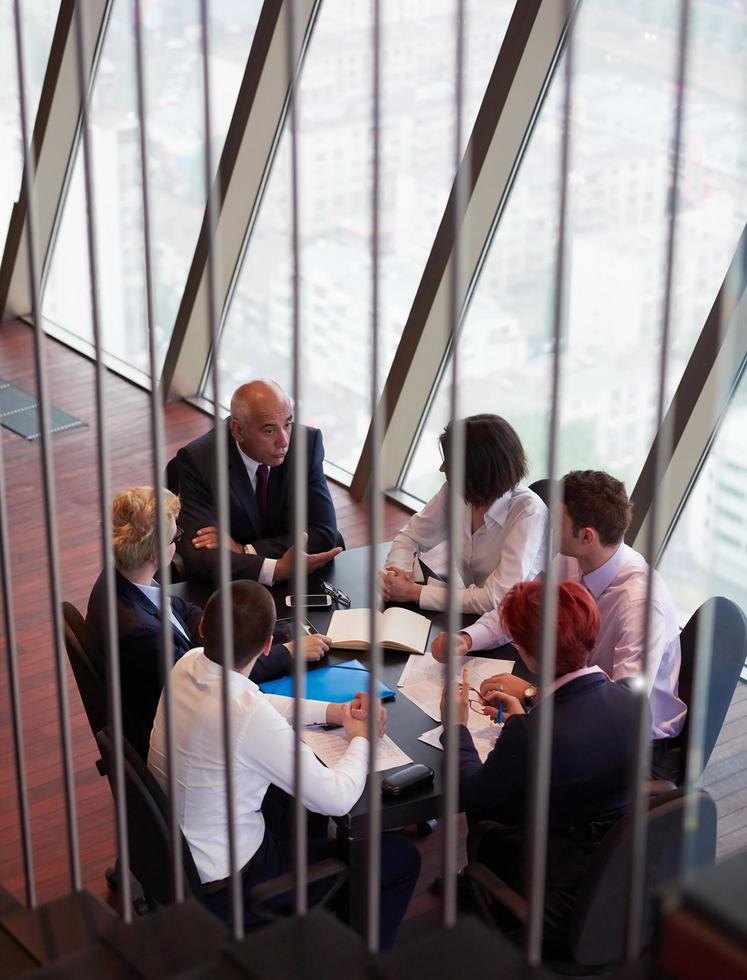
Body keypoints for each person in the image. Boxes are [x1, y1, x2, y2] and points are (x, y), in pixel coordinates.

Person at [149, 580, 420, 949]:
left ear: (201, 628)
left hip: (182, 860)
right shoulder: (244, 715)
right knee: (401, 859)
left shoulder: (186, 665)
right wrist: (362, 738)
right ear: (266, 646)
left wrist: (336, 712)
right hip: (235, 886)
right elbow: (337, 798)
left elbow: (259, 702)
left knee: (293, 806)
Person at [433, 470, 686, 779]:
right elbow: (523, 609)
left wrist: (532, 694)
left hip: (633, 747)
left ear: (587, 536)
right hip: (579, 698)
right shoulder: (572, 559)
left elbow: (620, 710)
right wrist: (468, 639)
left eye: (558, 520)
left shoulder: (641, 604)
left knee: (506, 778)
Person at [440, 579, 640, 950]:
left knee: (488, 822)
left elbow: (470, 793)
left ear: (527, 654)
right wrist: (531, 709)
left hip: (556, 894)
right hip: (617, 877)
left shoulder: (531, 735)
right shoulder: (631, 701)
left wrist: (456, 728)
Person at [87, 487, 331, 760]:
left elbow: (180, 608)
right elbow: (209, 683)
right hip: (183, 740)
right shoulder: (142, 635)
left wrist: (229, 632)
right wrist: (288, 652)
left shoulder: (121, 578)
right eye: (174, 537)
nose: (176, 543)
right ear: (156, 555)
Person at [171, 380, 341, 585]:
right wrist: (275, 570)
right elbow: (199, 558)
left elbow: (323, 533)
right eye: (269, 431)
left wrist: (247, 550)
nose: (284, 441)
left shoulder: (307, 444)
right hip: (233, 587)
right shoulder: (200, 461)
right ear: (238, 431)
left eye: (287, 424)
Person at [380, 415, 547, 613]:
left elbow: (497, 598)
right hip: (469, 610)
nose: (442, 468)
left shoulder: (528, 513)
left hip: (515, 624)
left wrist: (414, 592)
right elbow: (411, 536)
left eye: (449, 462)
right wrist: (398, 574)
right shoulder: (456, 490)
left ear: (476, 471)